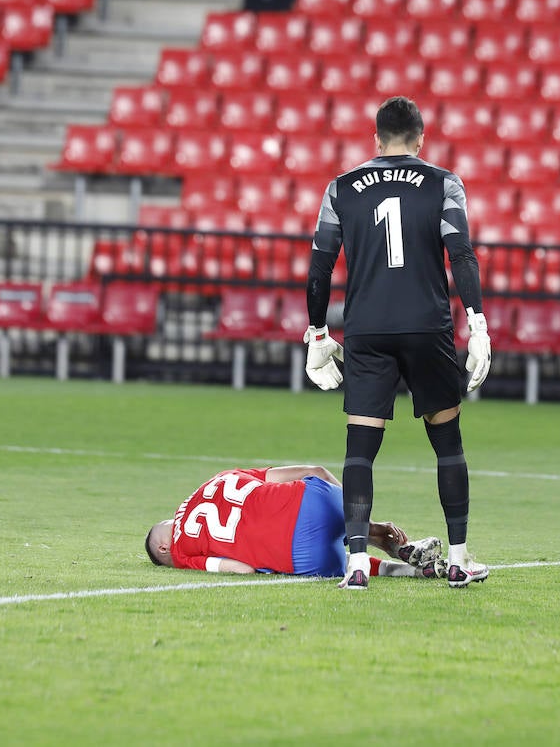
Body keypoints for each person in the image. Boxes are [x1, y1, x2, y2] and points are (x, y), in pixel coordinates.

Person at [303, 96, 492, 591]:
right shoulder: (444, 182)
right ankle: (457, 560)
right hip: (427, 325)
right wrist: (477, 323)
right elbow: (461, 253)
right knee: (446, 442)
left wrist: (318, 333)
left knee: (360, 448)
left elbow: (320, 265)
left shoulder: (340, 188)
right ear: (421, 139)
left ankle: (357, 565)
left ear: (376, 139)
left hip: (368, 329)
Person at [145, 464, 445, 579]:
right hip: (316, 501)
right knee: (337, 518)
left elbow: (242, 569)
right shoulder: (220, 478)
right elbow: (314, 471)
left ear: (162, 547)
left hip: (305, 558)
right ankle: (368, 530)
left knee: (336, 556)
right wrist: (341, 506)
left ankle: (404, 571)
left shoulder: (182, 552)